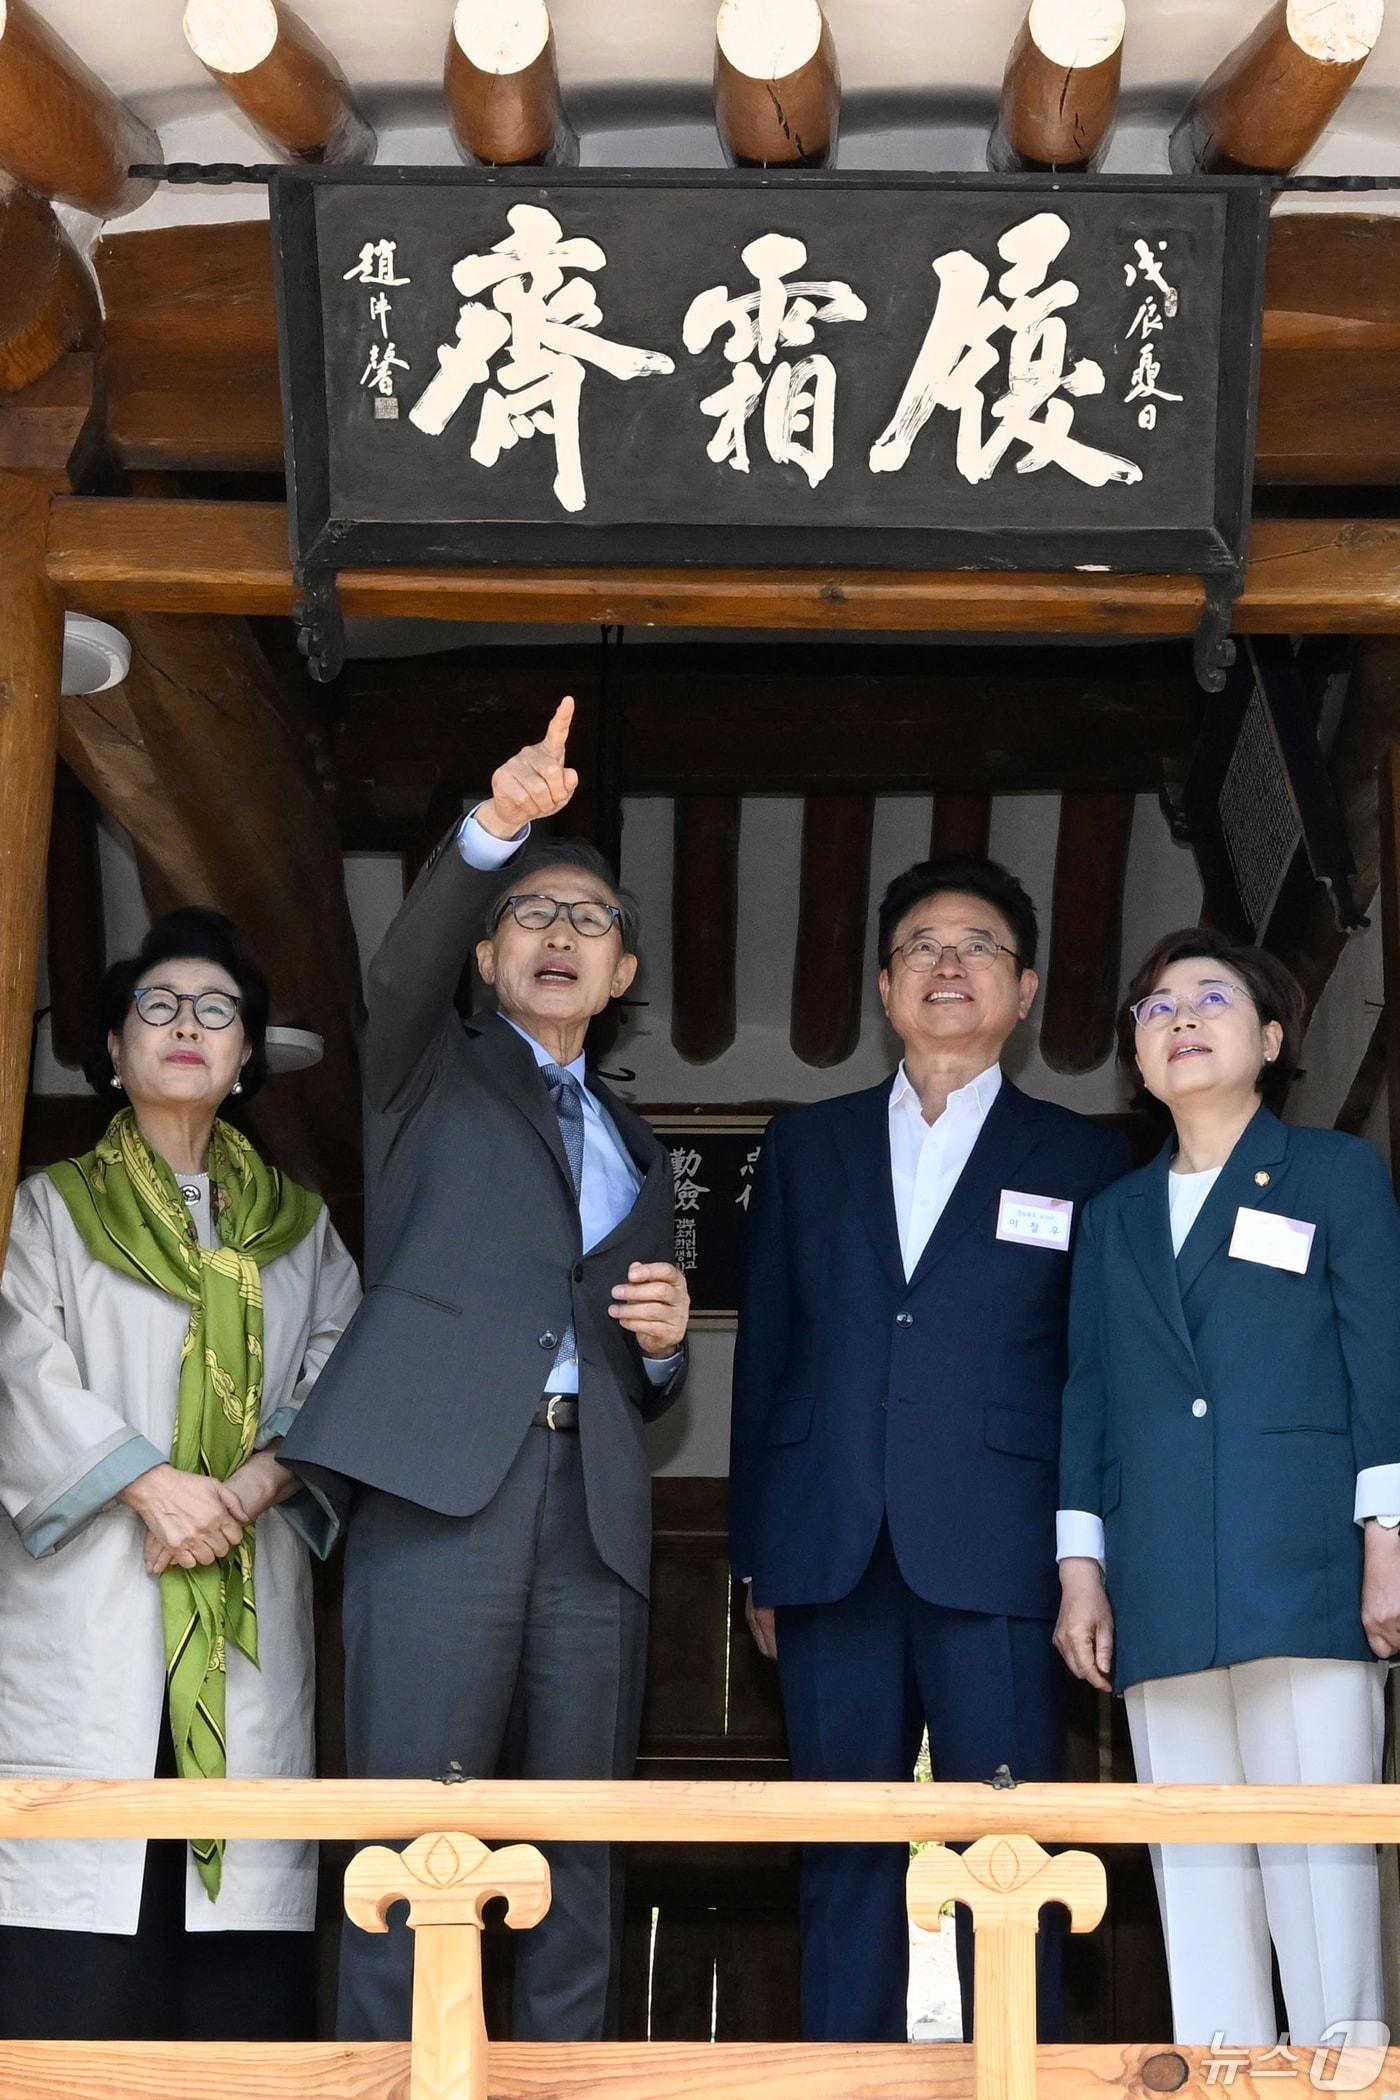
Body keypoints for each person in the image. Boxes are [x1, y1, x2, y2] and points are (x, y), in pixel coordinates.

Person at [281, 697, 690, 2045]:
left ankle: (565, 2077)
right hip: (442, 1488)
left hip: (595, 1511)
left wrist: (666, 1343)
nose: (563, 936)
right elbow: (391, 976)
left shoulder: (638, 1142)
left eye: (591, 923)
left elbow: (624, 1354)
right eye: (534, 914)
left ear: (625, 973)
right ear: (483, 954)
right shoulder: (425, 1072)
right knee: (413, 1836)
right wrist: (496, 826)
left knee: (580, 1844)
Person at [730, 854, 1129, 2043]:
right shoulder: (809, 1145)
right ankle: (843, 2073)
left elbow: (1093, 1375)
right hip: (828, 1541)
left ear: (1024, 990)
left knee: (1011, 1854)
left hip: (1003, 1550)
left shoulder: (1082, 1159)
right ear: (883, 987)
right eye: (919, 946)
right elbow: (768, 1354)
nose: (946, 965)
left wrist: (1084, 1554)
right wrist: (758, 1549)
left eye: (977, 948)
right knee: (841, 1847)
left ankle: (1016, 2069)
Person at [0, 907, 360, 2041]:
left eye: (217, 1010)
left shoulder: (301, 1231)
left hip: (245, 1615)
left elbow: (343, 1386)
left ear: (248, 1055)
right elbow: (23, 1368)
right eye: (157, 1007)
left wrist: (247, 1491)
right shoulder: (49, 1211)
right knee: (78, 1932)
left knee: (236, 1967)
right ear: (111, 1051)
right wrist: (152, 1486)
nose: (187, 1026)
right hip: (93, 1606)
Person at [1056, 928, 1400, 2050]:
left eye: (1209, 999)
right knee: (1194, 1868)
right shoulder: (1110, 1217)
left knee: (1319, 1859)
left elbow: (1380, 1363)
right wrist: (1079, 1570)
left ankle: (1343, 2073)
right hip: (1157, 1574)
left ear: (1266, 1038)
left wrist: (1386, 1538)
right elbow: (1088, 1398)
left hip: (1303, 1568)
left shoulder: (1333, 1174)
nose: (1180, 1019)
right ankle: (1219, 2075)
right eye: (1154, 1010)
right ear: (1137, 1062)